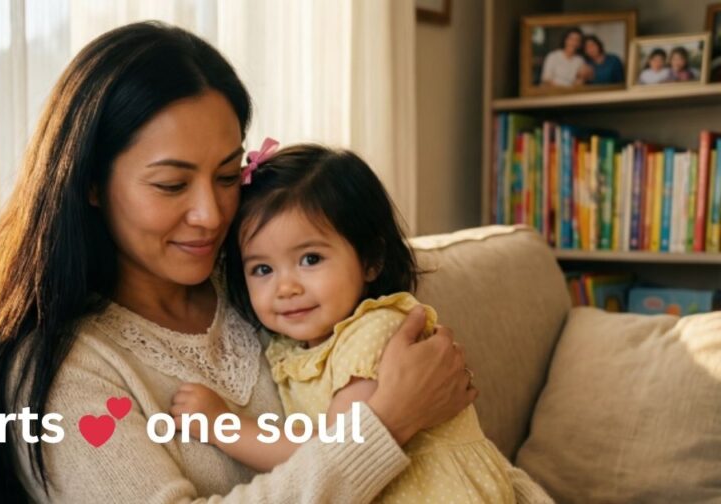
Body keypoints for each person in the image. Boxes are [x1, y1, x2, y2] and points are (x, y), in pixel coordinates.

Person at [0, 21, 552, 503]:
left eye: (229, 175)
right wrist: (385, 424)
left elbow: (455, 458)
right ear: (91, 184)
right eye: (172, 185)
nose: (211, 213)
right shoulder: (67, 371)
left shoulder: (269, 284)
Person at [171, 143, 516, 503]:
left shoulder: (375, 332)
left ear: (371, 260)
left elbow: (332, 453)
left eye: (310, 258)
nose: (286, 287)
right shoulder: (289, 349)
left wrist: (223, 427)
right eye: (263, 269)